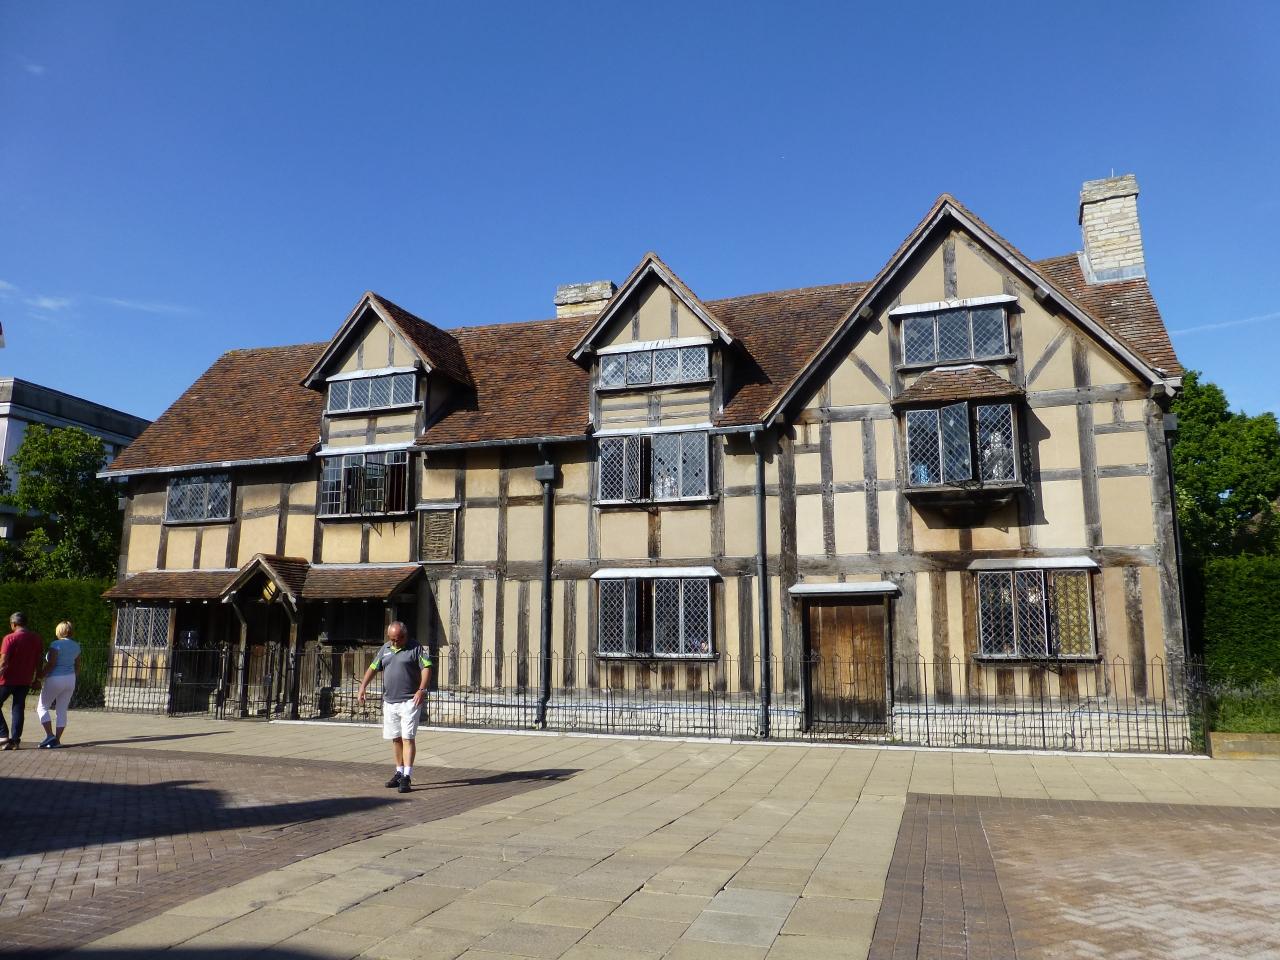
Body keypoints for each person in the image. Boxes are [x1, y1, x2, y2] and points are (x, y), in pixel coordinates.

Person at [357, 621, 431, 793]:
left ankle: (407, 776)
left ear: (405, 636)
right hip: (390, 701)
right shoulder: (385, 648)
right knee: (396, 738)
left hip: (410, 701)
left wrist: (421, 689)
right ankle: (399, 772)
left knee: (407, 738)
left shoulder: (416, 648)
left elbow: (427, 667)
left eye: (397, 639)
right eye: (392, 639)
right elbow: (373, 667)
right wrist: (363, 687)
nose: (394, 642)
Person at [0, 612, 44, 751]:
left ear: (14, 624)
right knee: (18, 708)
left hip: (7, 679)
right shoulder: (36, 639)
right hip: (25, 679)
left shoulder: (9, 638)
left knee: (16, 707)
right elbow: (39, 661)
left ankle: (3, 735)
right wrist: (37, 679)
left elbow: (3, 662)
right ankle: (15, 741)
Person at [37, 620, 81, 748]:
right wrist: (72, 676)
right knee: (61, 710)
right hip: (70, 679)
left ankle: (49, 736)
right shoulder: (76, 646)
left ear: (59, 631)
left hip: (55, 678)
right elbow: (78, 665)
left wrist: (40, 676)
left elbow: (51, 664)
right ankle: (56, 740)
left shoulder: (55, 644)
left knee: (42, 707)